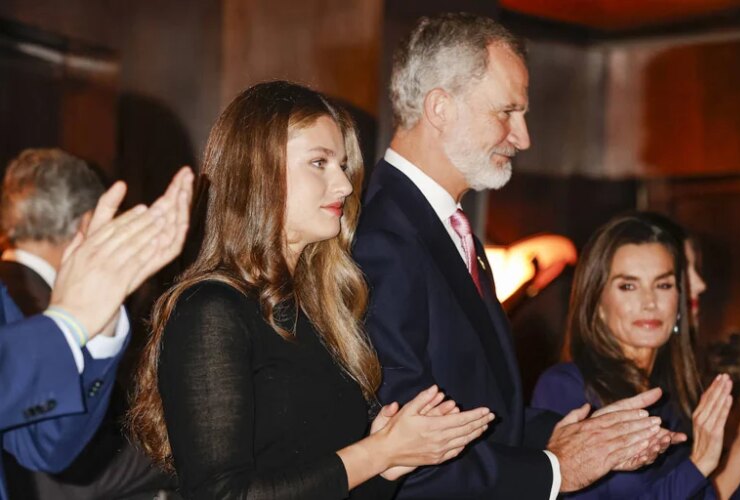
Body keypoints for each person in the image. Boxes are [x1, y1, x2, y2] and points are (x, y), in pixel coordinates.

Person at [354, 13, 674, 499]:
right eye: (507, 112)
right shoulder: (383, 238)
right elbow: (406, 450)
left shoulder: (448, 229)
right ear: (440, 108)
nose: (522, 137)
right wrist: (556, 470)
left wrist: (588, 432)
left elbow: (486, 415)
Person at [128, 81, 495, 500]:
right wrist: (376, 453)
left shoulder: (323, 309)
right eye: (319, 163)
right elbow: (221, 495)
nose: (343, 185)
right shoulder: (210, 309)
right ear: (258, 172)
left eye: (341, 166)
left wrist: (392, 464)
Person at [532, 213, 740, 499]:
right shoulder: (565, 387)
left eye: (663, 285)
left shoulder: (676, 395)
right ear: (597, 302)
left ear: (679, 299)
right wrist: (702, 460)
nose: (649, 302)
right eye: (628, 286)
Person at [0, 165, 193, 500]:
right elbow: (64, 482)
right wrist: (69, 322)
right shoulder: (27, 297)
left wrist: (99, 332)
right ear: (86, 225)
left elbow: (44, 447)